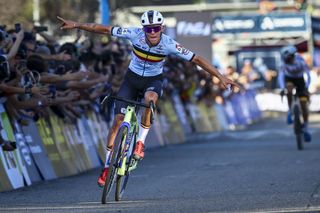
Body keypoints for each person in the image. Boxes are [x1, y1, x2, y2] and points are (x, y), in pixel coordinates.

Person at [58, 10, 239, 187]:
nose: (152, 32)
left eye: (156, 28)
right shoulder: (134, 34)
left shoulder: (169, 44)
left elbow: (197, 59)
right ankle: (106, 168)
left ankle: (140, 143)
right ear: (143, 29)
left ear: (162, 27)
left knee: (150, 99)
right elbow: (102, 28)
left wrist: (221, 77)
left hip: (153, 80)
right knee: (117, 122)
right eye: (148, 29)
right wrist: (77, 25)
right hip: (131, 79)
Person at [278, 45, 311, 142]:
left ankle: (306, 127)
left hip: (300, 80)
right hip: (289, 79)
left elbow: (308, 75)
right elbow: (281, 76)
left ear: (293, 55)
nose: (287, 60)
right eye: (285, 58)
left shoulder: (300, 61)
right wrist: (282, 88)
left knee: (304, 105)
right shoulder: (283, 63)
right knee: (288, 89)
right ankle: (290, 110)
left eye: (288, 58)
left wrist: (306, 87)